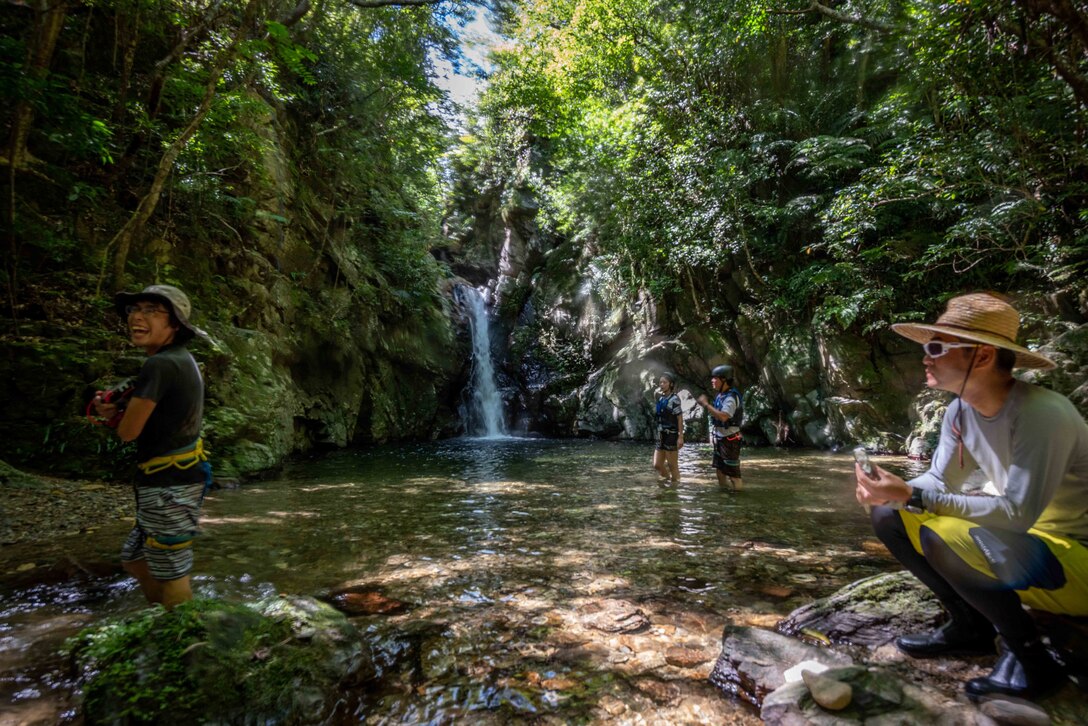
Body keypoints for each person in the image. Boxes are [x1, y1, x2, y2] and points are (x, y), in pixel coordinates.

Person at [855, 292, 1088, 701]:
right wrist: (891, 491)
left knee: (943, 534)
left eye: (937, 347)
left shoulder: (1042, 413)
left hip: (1076, 557)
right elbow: (940, 482)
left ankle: (1033, 661)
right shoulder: (959, 412)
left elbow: (1015, 513)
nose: (925, 357)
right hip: (1029, 547)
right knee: (889, 516)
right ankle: (968, 623)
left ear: (981, 357)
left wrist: (914, 495)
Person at [93, 284, 210, 610]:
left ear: (174, 325)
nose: (137, 318)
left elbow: (129, 432)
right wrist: (116, 411)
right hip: (171, 479)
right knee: (135, 558)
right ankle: (162, 617)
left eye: (151, 311)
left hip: (169, 483)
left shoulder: (160, 365)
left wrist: (111, 417)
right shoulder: (178, 360)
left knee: (172, 571)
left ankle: (185, 641)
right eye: (134, 310)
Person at [697, 364, 744, 491]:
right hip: (720, 438)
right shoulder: (720, 396)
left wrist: (706, 405)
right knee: (720, 472)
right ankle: (724, 495)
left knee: (734, 475)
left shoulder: (731, 397)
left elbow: (724, 416)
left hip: (730, 440)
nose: (712, 381)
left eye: (715, 378)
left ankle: (738, 499)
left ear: (724, 380)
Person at [653, 372, 684, 483]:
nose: (661, 384)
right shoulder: (661, 399)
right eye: (660, 382)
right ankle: (667, 481)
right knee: (657, 465)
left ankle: (675, 488)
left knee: (672, 465)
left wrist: (680, 437)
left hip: (671, 434)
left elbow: (680, 418)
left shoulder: (674, 399)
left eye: (664, 382)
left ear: (670, 384)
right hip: (661, 434)